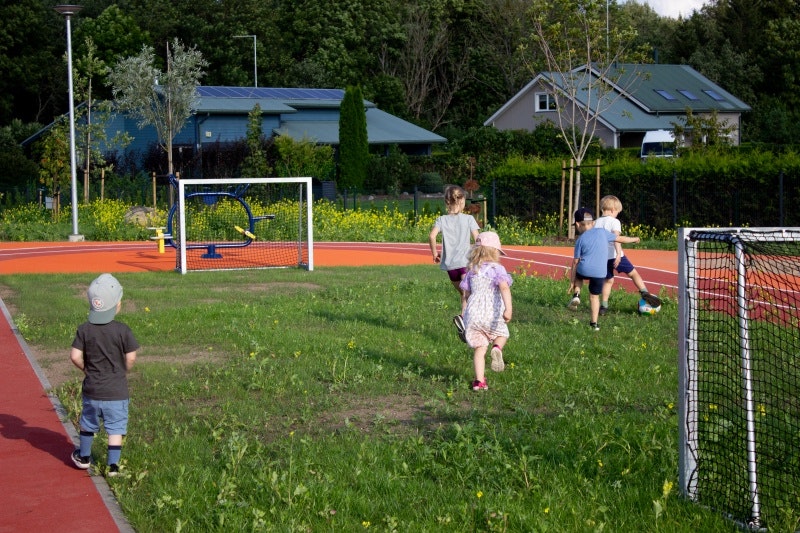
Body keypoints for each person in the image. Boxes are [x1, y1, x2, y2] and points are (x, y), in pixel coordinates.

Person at [69, 273, 139, 477]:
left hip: (92, 390)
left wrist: (85, 369)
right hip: (116, 391)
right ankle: (113, 467)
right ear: (118, 305)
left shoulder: (84, 330)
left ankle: (83, 457)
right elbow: (132, 357)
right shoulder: (123, 331)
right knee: (115, 428)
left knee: (88, 424)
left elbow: (74, 356)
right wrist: (124, 370)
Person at [567, 208, 640, 331]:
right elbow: (620, 239)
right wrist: (635, 239)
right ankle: (594, 324)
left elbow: (575, 262)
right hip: (600, 272)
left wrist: (572, 281)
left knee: (579, 275)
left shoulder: (580, 240)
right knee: (594, 297)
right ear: (594, 223)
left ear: (578, 224)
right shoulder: (603, 232)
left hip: (585, 269)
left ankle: (577, 294)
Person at [460, 231, 513, 391]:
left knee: (480, 348)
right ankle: (497, 348)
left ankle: (479, 381)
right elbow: (504, 287)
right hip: (492, 312)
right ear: (494, 251)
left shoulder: (471, 270)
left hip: (474, 314)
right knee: (502, 334)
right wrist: (509, 309)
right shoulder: (497, 269)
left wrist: (464, 313)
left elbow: (465, 295)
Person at [594, 195, 662, 315]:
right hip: (615, 255)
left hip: (602, 257)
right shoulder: (614, 222)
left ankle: (604, 306)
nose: (617, 215)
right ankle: (644, 292)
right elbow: (617, 238)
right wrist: (619, 254)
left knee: (608, 281)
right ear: (612, 210)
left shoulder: (596, 222)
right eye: (617, 212)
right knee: (633, 273)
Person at [429, 185, 480, 342]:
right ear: (463, 200)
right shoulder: (469, 219)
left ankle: (466, 324)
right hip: (465, 263)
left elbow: (432, 236)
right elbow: (478, 239)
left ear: (446, 201)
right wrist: (478, 254)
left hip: (451, 267)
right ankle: (466, 322)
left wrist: (435, 253)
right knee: (469, 295)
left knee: (464, 294)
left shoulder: (442, 220)